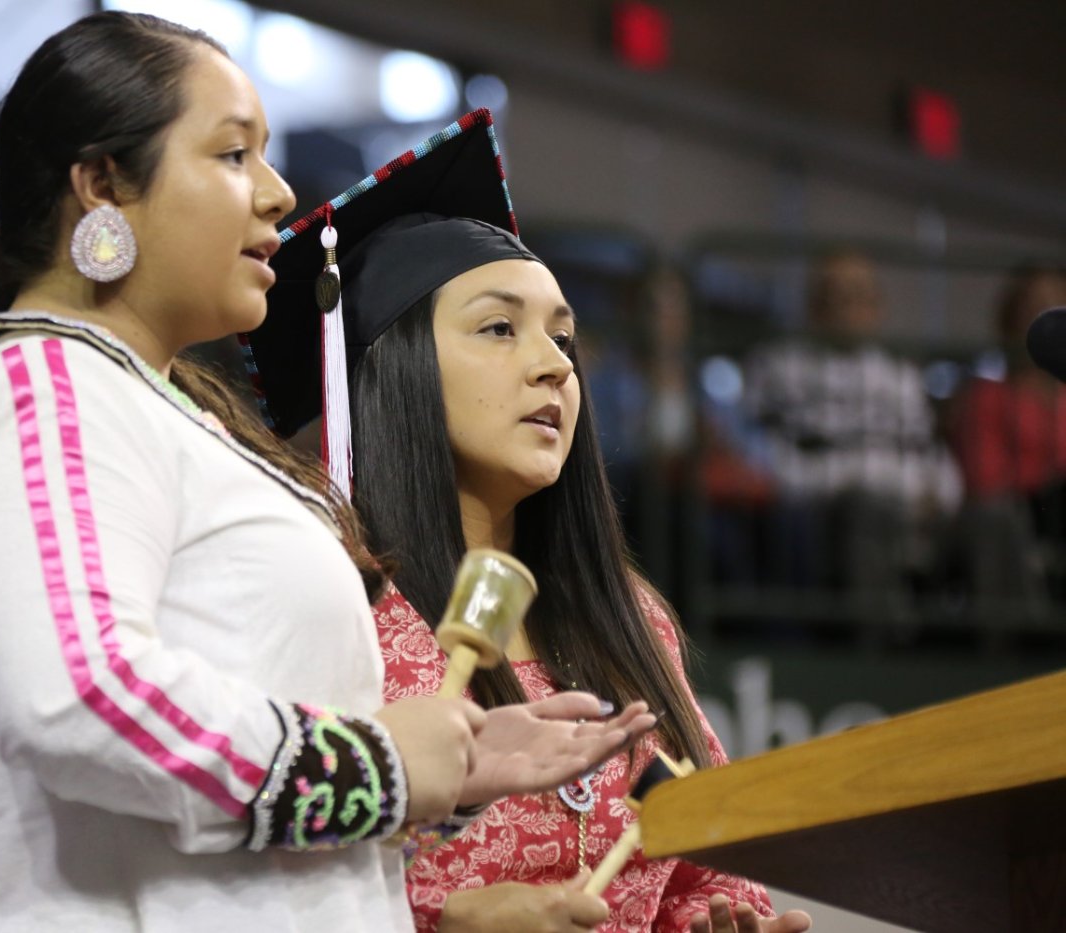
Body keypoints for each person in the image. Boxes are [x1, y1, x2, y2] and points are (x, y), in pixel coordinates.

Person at [0, 14, 652, 932]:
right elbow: (81, 700)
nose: (279, 194)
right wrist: (378, 764)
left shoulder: (156, 408)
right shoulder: (40, 387)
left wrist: (447, 767)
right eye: (234, 154)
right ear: (102, 185)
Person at [250, 111, 812, 933]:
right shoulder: (334, 602)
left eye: (564, 336)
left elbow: (705, 858)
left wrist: (720, 918)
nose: (554, 363)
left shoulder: (629, 615)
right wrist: (444, 922)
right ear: (395, 368)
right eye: (499, 328)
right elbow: (257, 887)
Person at [742, 250, 962, 615]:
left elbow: (934, 457)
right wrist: (863, 480)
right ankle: (880, 648)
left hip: (909, 510)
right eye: (835, 294)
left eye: (859, 294)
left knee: (993, 520)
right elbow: (766, 457)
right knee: (866, 508)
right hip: (822, 508)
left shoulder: (901, 378)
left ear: (878, 307)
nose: (847, 306)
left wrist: (941, 492)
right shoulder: (779, 367)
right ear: (813, 304)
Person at [949, 264, 1066, 610]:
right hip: (1022, 513)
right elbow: (987, 480)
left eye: (1054, 307)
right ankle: (1028, 636)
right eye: (1031, 308)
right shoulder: (986, 396)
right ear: (1010, 321)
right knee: (997, 517)